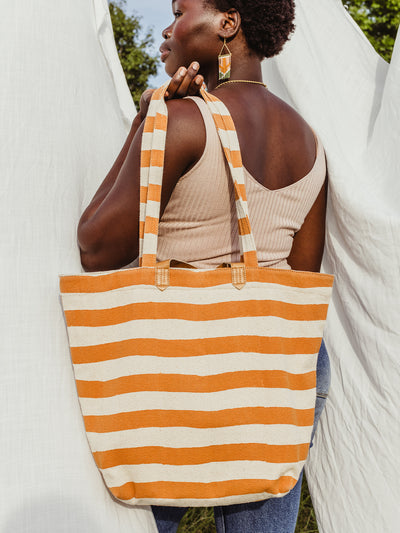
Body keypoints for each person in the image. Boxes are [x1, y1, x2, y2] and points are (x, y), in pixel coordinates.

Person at [77, 1, 330, 531]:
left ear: (228, 24)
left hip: (179, 357)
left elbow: (96, 247)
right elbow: (302, 288)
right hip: (278, 368)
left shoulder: (181, 121)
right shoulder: (311, 143)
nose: (167, 28)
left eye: (179, 10)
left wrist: (146, 121)